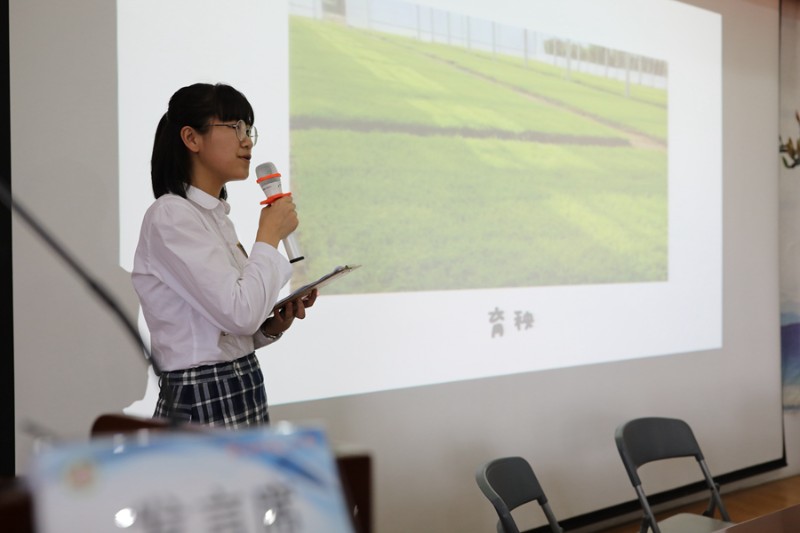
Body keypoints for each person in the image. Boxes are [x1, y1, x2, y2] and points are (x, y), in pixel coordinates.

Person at [132, 82, 315, 427]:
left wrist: (271, 325)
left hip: (240, 384)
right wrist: (269, 234)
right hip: (200, 398)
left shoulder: (215, 217)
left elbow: (232, 327)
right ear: (191, 138)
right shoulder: (171, 215)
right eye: (234, 128)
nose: (246, 140)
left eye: (248, 129)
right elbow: (239, 314)